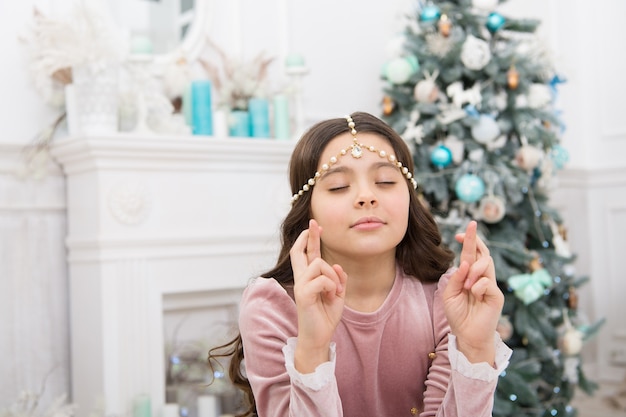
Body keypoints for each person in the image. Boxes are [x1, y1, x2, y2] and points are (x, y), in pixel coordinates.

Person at [209, 112, 512, 417]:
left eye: (385, 181)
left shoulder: (445, 299)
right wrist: (313, 348)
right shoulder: (271, 307)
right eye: (339, 186)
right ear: (306, 208)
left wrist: (474, 350)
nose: (366, 197)